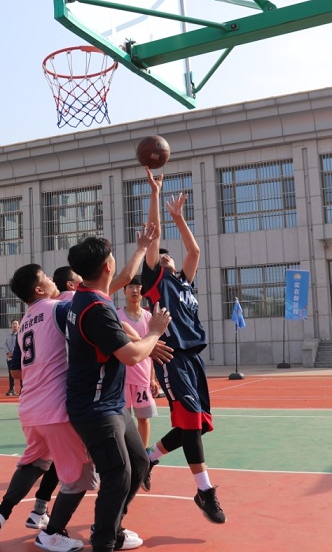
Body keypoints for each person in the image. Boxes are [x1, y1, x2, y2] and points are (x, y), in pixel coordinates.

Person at [66, 236, 172, 552]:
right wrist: (153, 333)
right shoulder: (96, 308)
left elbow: (125, 277)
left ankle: (111, 526)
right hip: (95, 408)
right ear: (106, 266)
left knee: (139, 464)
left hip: (111, 404)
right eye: (113, 257)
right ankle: (104, 540)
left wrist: (142, 248)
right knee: (117, 474)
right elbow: (131, 356)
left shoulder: (88, 292)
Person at [0, 263, 98, 552]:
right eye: (46, 276)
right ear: (39, 288)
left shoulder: (24, 323)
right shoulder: (59, 309)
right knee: (79, 474)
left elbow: (17, 371)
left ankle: (1, 513)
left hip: (30, 408)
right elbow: (95, 310)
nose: (51, 278)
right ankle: (52, 534)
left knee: (34, 462)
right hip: (55, 408)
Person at [141, 167, 226, 523]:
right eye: (160, 257)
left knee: (197, 425)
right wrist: (156, 195)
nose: (165, 257)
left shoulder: (185, 282)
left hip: (194, 359)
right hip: (172, 357)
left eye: (168, 256)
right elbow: (154, 234)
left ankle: (148, 458)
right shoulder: (156, 282)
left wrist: (180, 218)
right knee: (191, 423)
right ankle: (204, 491)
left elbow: (195, 249)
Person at [116, 276, 160, 451]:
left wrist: (152, 378)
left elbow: (152, 350)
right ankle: (126, 454)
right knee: (122, 420)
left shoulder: (149, 317)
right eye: (131, 287)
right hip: (122, 377)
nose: (135, 290)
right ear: (124, 291)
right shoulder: (117, 316)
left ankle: (143, 455)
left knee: (143, 419)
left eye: (138, 286)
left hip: (142, 377)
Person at [3, 319, 20, 396]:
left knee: (20, 373)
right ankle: (11, 389)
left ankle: (22, 389)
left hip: (18, 357)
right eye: (13, 323)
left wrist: (14, 353)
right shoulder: (8, 335)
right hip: (10, 357)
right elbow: (5, 344)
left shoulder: (21, 334)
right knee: (11, 374)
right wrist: (8, 352)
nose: (14, 325)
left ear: (19, 325)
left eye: (16, 323)